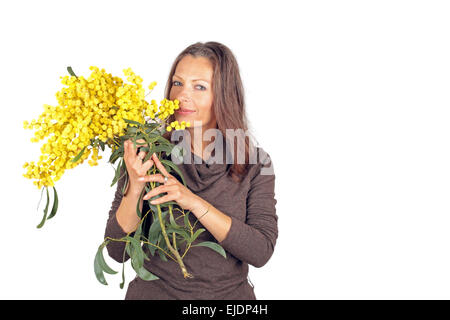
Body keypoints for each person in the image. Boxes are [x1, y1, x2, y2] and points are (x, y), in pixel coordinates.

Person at [104, 41, 278, 300]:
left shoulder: (256, 163)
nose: (182, 96)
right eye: (177, 83)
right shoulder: (149, 151)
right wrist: (136, 186)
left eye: (199, 86)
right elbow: (118, 252)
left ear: (223, 94)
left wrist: (193, 202)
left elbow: (260, 251)